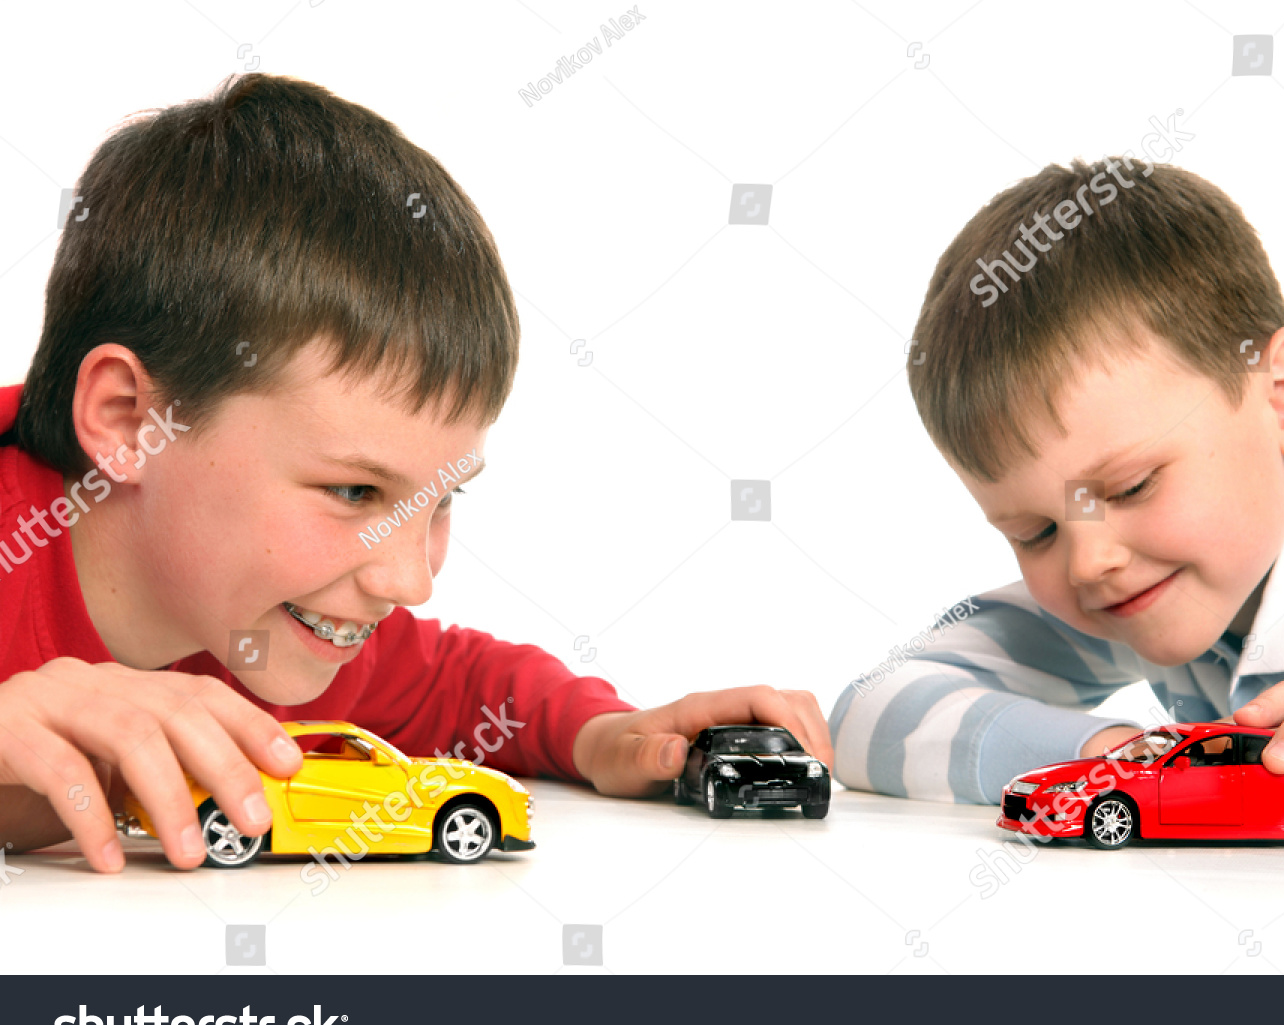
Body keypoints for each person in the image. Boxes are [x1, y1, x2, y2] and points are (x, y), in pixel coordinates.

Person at [0, 73, 829, 873]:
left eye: (440, 500)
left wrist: (610, 736)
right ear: (127, 420)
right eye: (355, 492)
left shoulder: (265, 622)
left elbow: (460, 686)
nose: (410, 580)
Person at [830, 157, 1284, 850]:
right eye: (1034, 532)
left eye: (1130, 487)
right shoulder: (1132, 587)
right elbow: (870, 710)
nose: (1088, 559)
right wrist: (1123, 758)